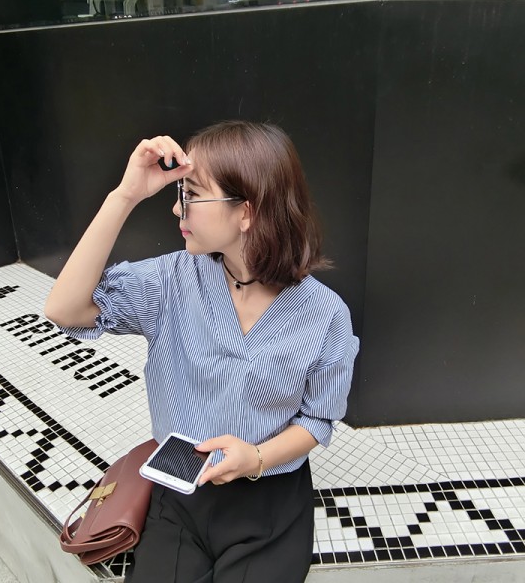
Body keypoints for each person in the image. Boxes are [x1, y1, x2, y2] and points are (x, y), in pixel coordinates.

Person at [45, 120, 359, 582]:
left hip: (269, 493)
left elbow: (317, 419)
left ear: (246, 212)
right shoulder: (170, 280)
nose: (177, 208)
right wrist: (124, 196)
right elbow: (65, 309)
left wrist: (255, 458)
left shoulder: (325, 314)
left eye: (191, 194)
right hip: (179, 486)